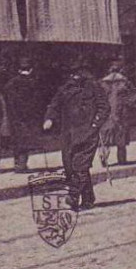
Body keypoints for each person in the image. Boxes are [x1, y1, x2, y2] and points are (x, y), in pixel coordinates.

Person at [42, 62, 110, 211]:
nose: (75, 75)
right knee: (70, 167)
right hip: (68, 134)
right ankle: (88, 198)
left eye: (79, 72)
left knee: (80, 165)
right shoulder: (65, 89)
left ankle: (73, 196)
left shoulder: (94, 87)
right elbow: (54, 104)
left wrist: (94, 126)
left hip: (88, 134)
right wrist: (49, 118)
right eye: (72, 73)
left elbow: (104, 107)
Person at [1, 57, 42, 173]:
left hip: (14, 116)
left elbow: (6, 97)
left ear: (19, 70)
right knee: (26, 140)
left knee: (17, 139)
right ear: (31, 70)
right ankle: (22, 165)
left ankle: (17, 163)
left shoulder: (11, 84)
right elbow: (39, 101)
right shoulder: (34, 83)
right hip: (29, 117)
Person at [98, 61, 136, 166]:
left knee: (105, 138)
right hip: (121, 112)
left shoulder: (103, 83)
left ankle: (103, 157)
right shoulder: (125, 81)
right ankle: (122, 160)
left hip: (107, 113)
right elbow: (132, 96)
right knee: (121, 137)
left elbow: (98, 98)